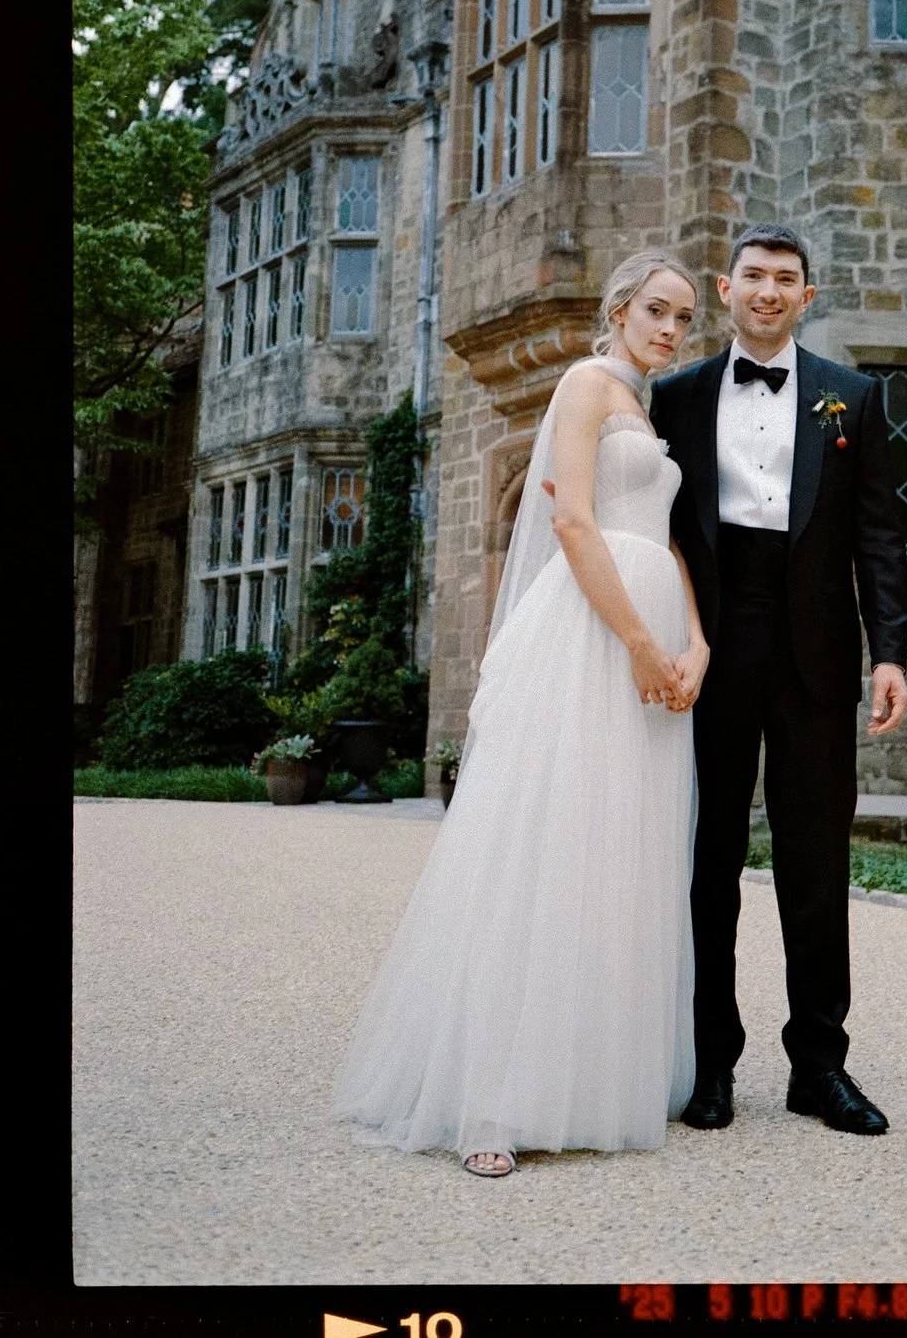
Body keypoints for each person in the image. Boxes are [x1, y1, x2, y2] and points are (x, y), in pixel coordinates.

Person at [332, 251, 709, 1177]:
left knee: (619, 857)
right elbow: (574, 523)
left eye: (684, 318)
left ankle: (583, 1080)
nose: (671, 329)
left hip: (656, 639)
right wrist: (639, 643)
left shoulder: (645, 408)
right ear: (618, 310)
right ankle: (488, 1100)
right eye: (657, 311)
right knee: (547, 848)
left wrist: (696, 642)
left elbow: (663, 539)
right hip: (593, 638)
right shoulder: (584, 385)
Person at [649, 223, 907, 1137]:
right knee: (706, 861)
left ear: (807, 295)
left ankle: (819, 1067)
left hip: (817, 651)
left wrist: (889, 654)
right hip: (710, 644)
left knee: (816, 864)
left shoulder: (853, 396)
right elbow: (656, 528)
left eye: (785, 278)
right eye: (753, 275)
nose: (768, 290)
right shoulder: (674, 396)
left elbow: (879, 535)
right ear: (726, 289)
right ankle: (710, 1064)